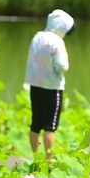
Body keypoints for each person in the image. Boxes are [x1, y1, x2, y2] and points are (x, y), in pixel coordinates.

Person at [24, 9, 76, 159]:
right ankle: (49, 161)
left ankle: (35, 157)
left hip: (35, 85)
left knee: (35, 124)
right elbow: (62, 66)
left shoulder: (37, 37)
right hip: (52, 88)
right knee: (50, 127)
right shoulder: (57, 41)